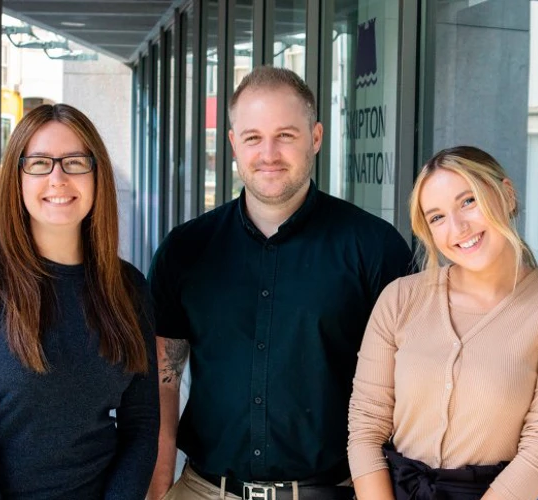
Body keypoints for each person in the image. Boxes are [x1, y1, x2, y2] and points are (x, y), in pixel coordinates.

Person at [147, 66, 413, 499]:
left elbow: (413, 383)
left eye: (286, 135)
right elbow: (163, 380)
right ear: (233, 144)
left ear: (316, 138)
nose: (268, 153)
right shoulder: (186, 249)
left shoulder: (374, 247)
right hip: (203, 489)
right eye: (253, 137)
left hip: (334, 491)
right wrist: (159, 486)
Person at [0, 104, 159, 500]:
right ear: (16, 178)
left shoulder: (128, 287)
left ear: (96, 174)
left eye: (74, 162)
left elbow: (141, 423)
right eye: (39, 163)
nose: (58, 178)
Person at [348, 146, 538, 500]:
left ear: (506, 194)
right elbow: (366, 425)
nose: (457, 227)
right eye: (437, 217)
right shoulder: (400, 298)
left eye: (468, 201)